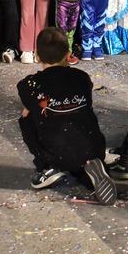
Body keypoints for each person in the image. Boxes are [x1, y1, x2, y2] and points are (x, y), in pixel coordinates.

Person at [16, 26, 117, 205]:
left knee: (27, 117)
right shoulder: (82, 77)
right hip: (92, 147)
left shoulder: (29, 84)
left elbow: (30, 106)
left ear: (37, 56)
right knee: (78, 120)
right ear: (68, 54)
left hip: (57, 151)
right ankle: (92, 170)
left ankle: (49, 166)